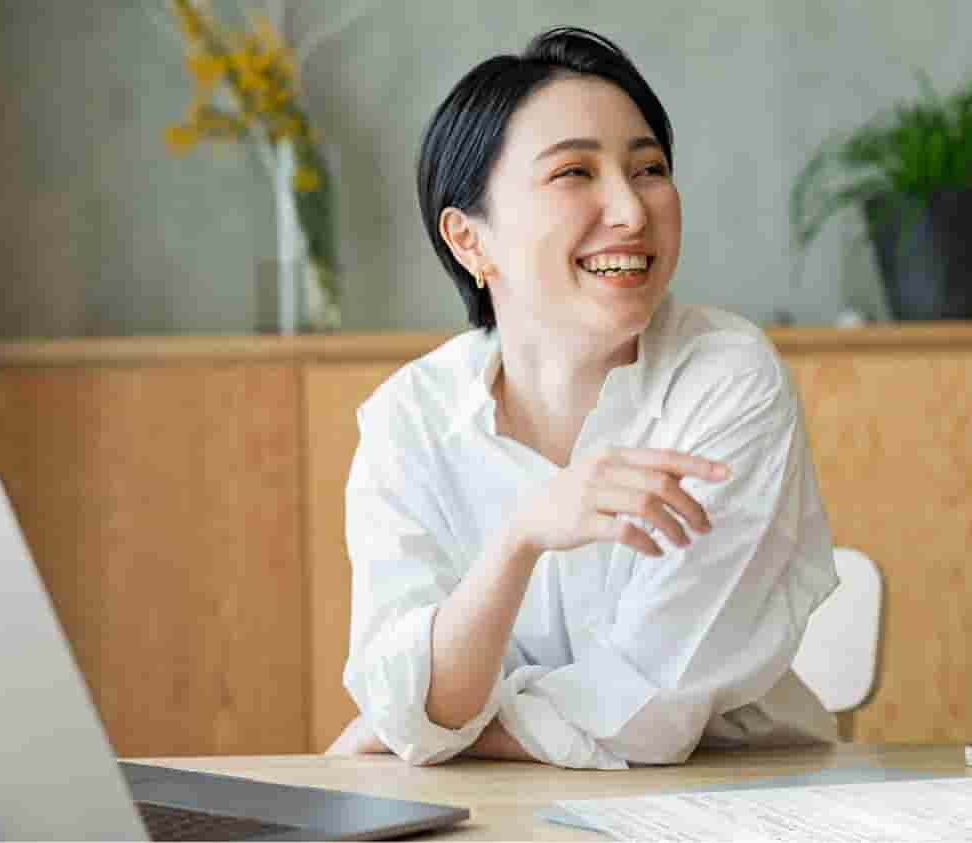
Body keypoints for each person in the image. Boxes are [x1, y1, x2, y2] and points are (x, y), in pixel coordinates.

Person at [326, 26, 840, 769]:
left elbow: (648, 708)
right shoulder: (408, 421)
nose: (631, 210)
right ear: (470, 239)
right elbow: (414, 698)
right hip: (496, 809)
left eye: (650, 169)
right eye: (574, 172)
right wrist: (520, 538)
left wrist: (429, 732)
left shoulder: (728, 380)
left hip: (727, 801)